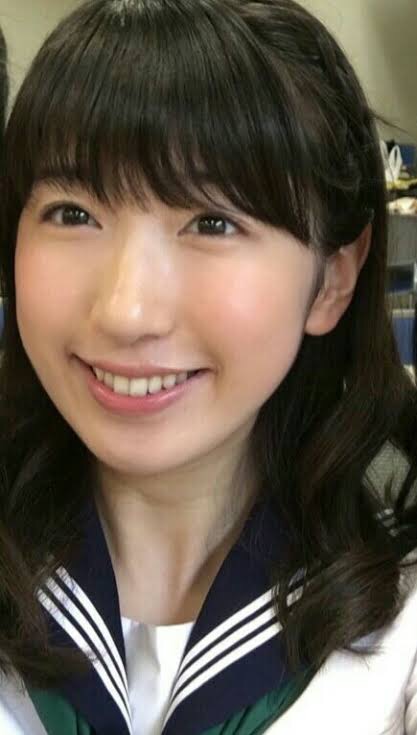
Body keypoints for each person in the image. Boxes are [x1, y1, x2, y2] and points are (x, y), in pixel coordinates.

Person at [0, 0, 417, 733]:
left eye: (212, 221)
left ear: (331, 279)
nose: (127, 311)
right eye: (73, 213)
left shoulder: (398, 626)